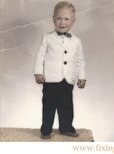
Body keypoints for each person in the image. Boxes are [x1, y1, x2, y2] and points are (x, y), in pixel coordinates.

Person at [34, 1, 86, 139]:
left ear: (73, 21)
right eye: (58, 18)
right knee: (49, 106)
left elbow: (80, 60)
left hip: (67, 80)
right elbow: (40, 56)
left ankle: (66, 128)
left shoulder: (77, 41)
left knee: (66, 107)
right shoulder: (47, 37)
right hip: (50, 80)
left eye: (66, 19)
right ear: (53, 19)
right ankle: (46, 130)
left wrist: (82, 77)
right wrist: (38, 72)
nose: (62, 22)